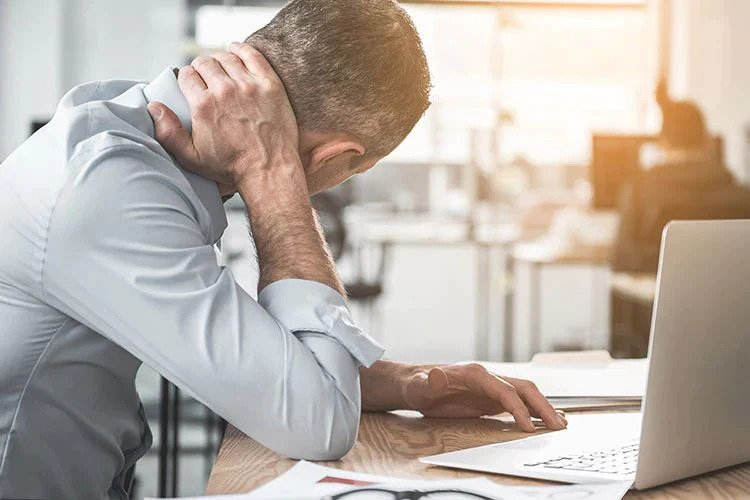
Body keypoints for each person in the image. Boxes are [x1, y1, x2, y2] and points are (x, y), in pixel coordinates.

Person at [0, 1, 565, 498]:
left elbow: (254, 355)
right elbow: (316, 424)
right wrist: (272, 174)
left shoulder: (129, 129)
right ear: (334, 158)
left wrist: (410, 383)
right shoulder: (111, 187)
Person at [612, 81, 750, 273]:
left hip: (655, 300)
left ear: (663, 141)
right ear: (705, 139)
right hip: (729, 301)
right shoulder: (742, 197)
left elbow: (622, 260)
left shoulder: (639, 192)